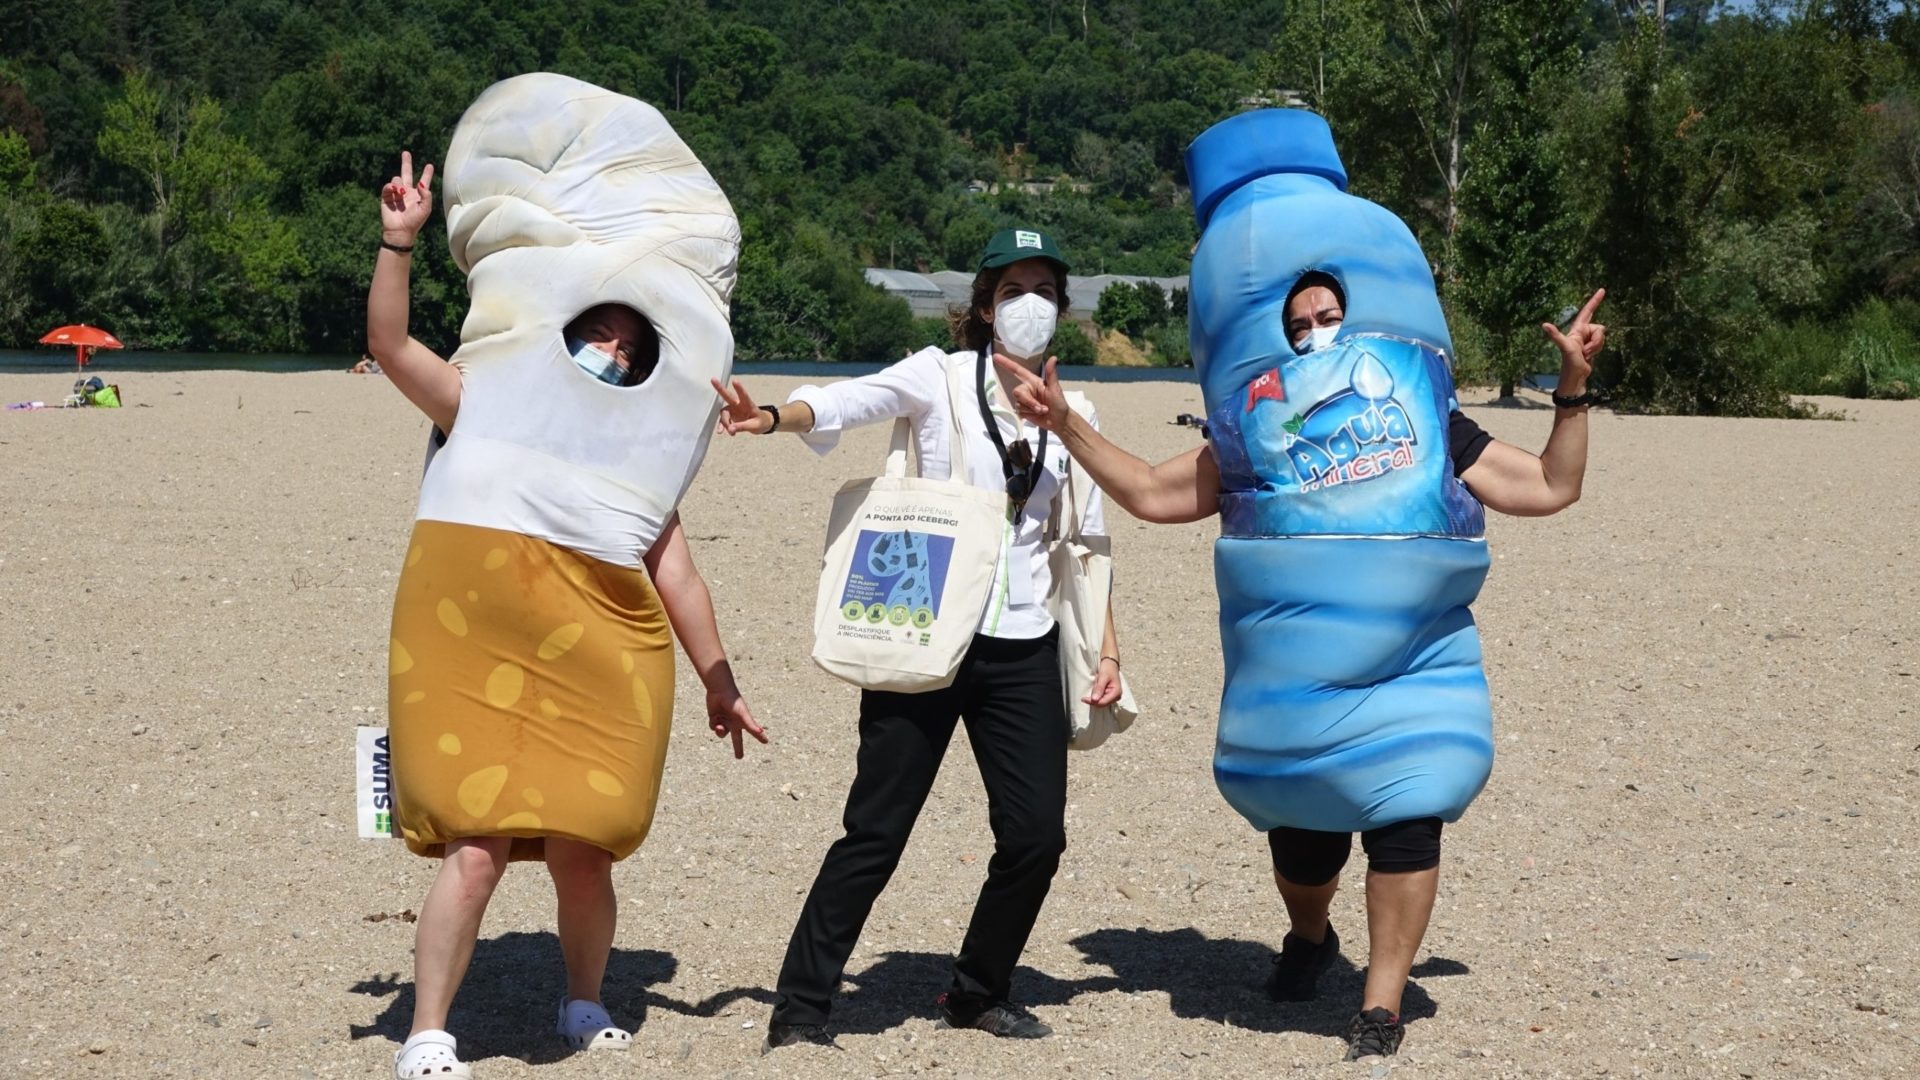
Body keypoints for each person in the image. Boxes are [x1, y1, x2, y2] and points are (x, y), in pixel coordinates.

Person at [1000, 272, 1606, 1060]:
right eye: (1300, 324)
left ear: (1361, 327)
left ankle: (1380, 1006)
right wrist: (1066, 427)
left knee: (1409, 819)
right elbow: (1152, 492)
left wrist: (1571, 390)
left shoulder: (1430, 425)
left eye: (1329, 316)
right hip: (1299, 688)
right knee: (1305, 845)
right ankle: (1311, 936)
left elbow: (1554, 486)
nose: (1317, 330)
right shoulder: (1257, 433)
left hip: (1414, 669)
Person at [369, 147, 765, 1080]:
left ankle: (583, 1002)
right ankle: (428, 1031)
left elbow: (682, 580)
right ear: (565, 331)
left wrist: (722, 682)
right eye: (603, 334)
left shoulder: (643, 463)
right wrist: (399, 244)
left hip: (602, 654)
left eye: (634, 347)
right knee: (476, 842)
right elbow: (390, 344)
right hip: (471, 643)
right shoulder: (482, 399)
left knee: (588, 848)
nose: (616, 353)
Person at [711, 228, 1124, 1050]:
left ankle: (978, 989)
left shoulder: (1078, 414)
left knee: (1036, 835)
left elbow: (1087, 540)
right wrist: (770, 416)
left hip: (1024, 644)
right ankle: (800, 1009)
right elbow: (847, 400)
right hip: (923, 636)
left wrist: (1108, 651)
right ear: (982, 305)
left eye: (1044, 289)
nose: (1030, 305)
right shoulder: (938, 376)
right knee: (876, 829)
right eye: (1012, 291)